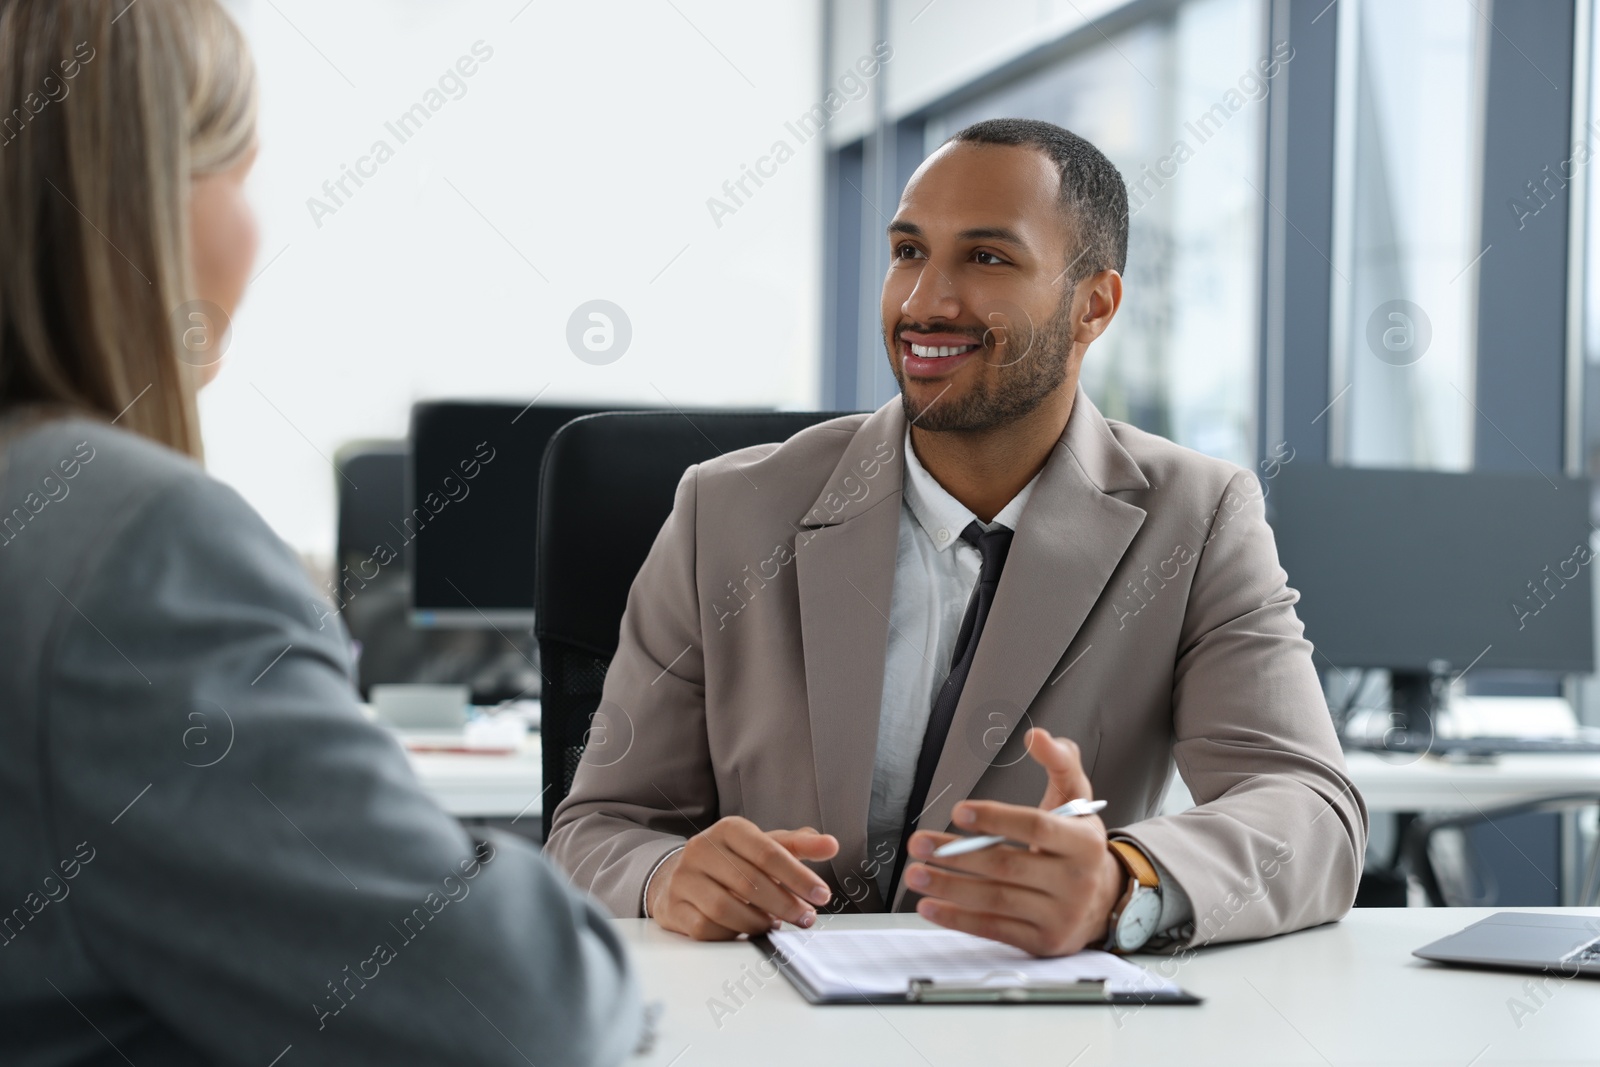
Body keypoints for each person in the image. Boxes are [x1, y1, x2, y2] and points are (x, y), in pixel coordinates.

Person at [547, 117, 1367, 958]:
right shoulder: (725, 512)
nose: (923, 303)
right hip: (759, 1025)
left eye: (986, 259)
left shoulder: (1196, 519)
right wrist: (665, 875)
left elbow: (1310, 807)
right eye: (908, 251)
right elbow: (598, 830)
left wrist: (1126, 884)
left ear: (1094, 305)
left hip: (1026, 1026)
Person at [0, 2, 640, 1063]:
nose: (258, 225)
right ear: (148, 195)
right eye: (241, 174)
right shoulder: (132, 546)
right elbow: (526, 1012)